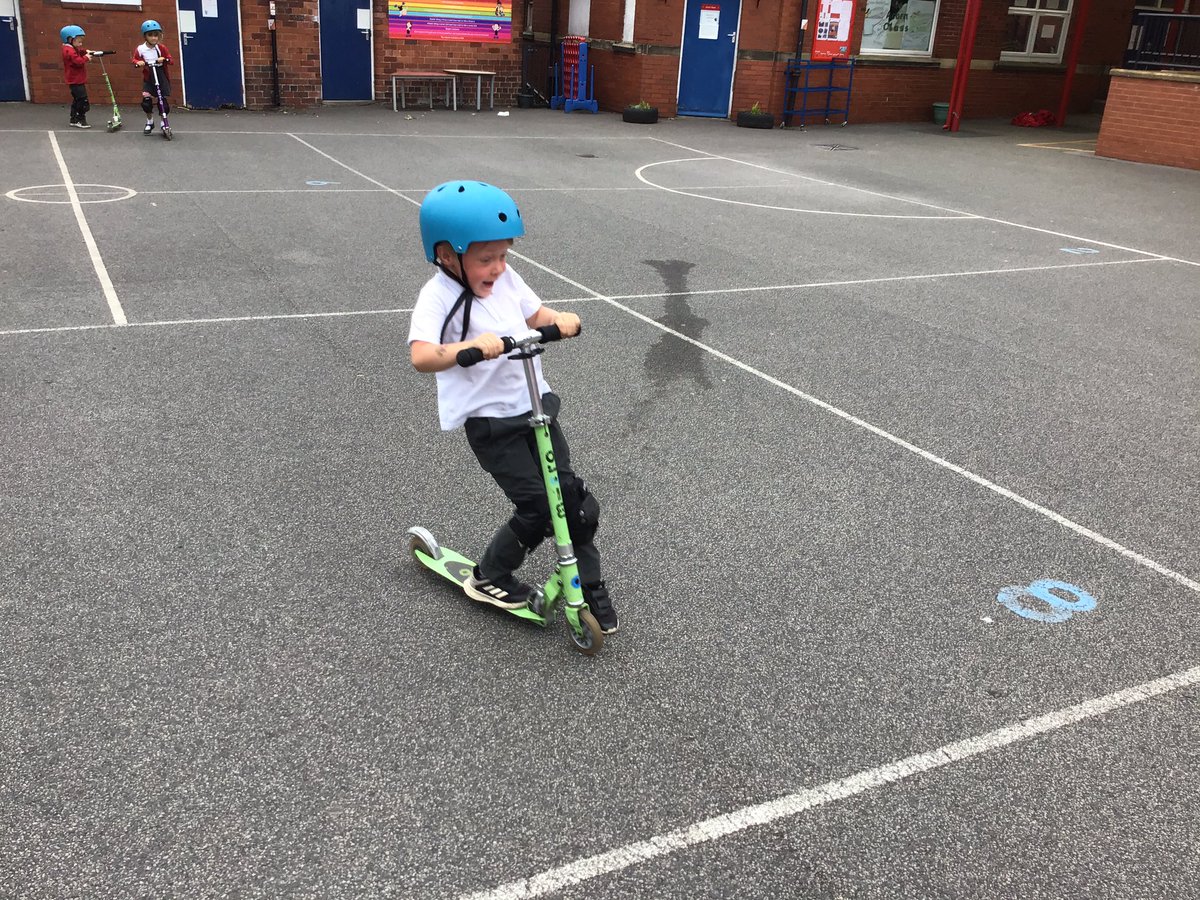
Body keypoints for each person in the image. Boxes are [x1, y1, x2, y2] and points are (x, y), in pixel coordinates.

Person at [408, 181, 619, 635]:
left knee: (575, 505)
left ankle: (588, 586)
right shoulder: (438, 297)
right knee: (541, 508)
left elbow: (535, 313)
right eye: (486, 259)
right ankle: (489, 577)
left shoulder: (507, 280)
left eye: (504, 256)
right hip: (492, 425)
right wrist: (470, 347)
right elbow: (422, 356)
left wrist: (559, 320)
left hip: (537, 410)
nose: (498, 268)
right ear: (447, 255)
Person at [131, 20, 173, 136]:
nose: (154, 38)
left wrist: (164, 59)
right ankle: (149, 122)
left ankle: (163, 123)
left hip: (160, 75)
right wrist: (138, 62)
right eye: (150, 35)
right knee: (146, 102)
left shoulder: (161, 48)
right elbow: (135, 59)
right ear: (145, 36)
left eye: (156, 35)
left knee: (162, 102)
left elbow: (170, 59)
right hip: (149, 75)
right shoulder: (141, 48)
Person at [60, 25, 94, 129]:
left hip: (75, 79)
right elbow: (77, 61)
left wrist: (85, 51)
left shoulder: (71, 48)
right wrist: (86, 58)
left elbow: (79, 51)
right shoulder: (68, 50)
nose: (80, 44)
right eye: (79, 41)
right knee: (83, 101)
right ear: (70, 39)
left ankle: (73, 119)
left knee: (77, 100)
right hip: (75, 80)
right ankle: (80, 119)